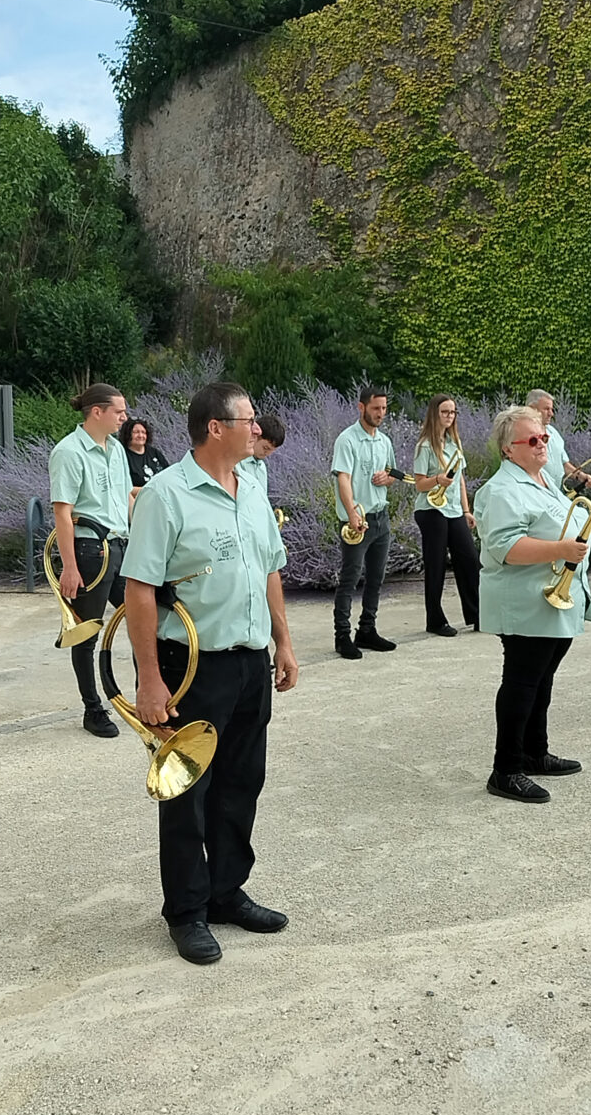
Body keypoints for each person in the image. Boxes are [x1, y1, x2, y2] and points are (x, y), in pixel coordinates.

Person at [121, 381, 300, 965]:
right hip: (191, 666)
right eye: (249, 420)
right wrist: (149, 678)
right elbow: (140, 589)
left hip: (249, 661)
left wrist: (283, 642)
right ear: (215, 428)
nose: (259, 429)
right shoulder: (166, 495)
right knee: (187, 794)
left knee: (241, 783)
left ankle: (226, 891)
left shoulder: (252, 488)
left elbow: (270, 569)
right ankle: (187, 911)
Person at [472, 404, 590, 804]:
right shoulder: (502, 490)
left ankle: (534, 752)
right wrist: (561, 549)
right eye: (533, 440)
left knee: (542, 678)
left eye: (545, 438)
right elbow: (505, 547)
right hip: (524, 602)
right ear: (509, 449)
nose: (542, 445)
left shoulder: (543, 479)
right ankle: (506, 769)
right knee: (522, 682)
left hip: (551, 600)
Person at [49, 382, 134, 738]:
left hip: (121, 547)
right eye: (119, 411)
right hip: (89, 551)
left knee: (146, 620)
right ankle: (93, 709)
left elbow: (127, 499)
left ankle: (150, 698)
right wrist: (69, 566)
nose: (125, 418)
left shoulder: (117, 449)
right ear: (97, 412)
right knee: (87, 634)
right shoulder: (68, 452)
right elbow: (63, 513)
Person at [330, 386, 400, 660]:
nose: (381, 413)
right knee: (350, 578)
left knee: (376, 578)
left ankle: (367, 629)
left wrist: (388, 478)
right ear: (361, 408)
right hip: (357, 520)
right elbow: (343, 478)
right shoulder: (347, 440)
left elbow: (394, 472)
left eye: (384, 408)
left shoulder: (384, 441)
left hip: (381, 518)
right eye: (375, 408)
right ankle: (342, 636)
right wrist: (352, 513)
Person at [411, 394, 481, 637]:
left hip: (453, 510)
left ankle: (477, 615)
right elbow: (419, 484)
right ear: (435, 414)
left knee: (470, 560)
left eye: (452, 412)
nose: (450, 416)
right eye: (445, 412)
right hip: (430, 509)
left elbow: (460, 479)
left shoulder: (454, 444)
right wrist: (437, 479)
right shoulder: (424, 446)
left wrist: (466, 510)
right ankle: (435, 620)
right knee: (436, 565)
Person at [120, 416, 172, 492]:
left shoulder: (154, 452)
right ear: (128, 434)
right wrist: (150, 491)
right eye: (136, 432)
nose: (140, 435)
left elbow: (169, 474)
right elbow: (124, 488)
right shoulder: (122, 455)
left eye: (143, 432)